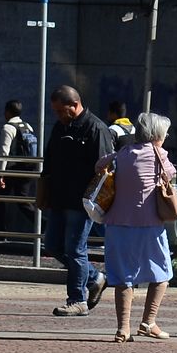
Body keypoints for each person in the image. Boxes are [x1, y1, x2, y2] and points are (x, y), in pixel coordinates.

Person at [95, 112, 176, 342]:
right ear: (157, 135)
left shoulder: (121, 154)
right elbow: (171, 174)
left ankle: (123, 328)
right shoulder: (159, 155)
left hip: (117, 224)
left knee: (123, 277)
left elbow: (99, 165)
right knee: (162, 273)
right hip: (149, 224)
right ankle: (148, 322)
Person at [41, 85, 114, 316]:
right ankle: (95, 277)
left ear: (75, 104)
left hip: (81, 201)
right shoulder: (60, 127)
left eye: (63, 111)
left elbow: (105, 170)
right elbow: (50, 159)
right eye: (56, 112)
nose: (60, 116)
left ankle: (77, 299)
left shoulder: (96, 128)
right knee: (52, 245)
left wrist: (95, 199)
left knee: (75, 249)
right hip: (59, 197)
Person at [0, 99, 39, 231]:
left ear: (7, 112)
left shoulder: (8, 128)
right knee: (23, 201)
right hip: (29, 168)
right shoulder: (27, 126)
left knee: (0, 199)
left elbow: (4, 152)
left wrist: (0, 175)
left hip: (12, 170)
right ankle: (43, 225)